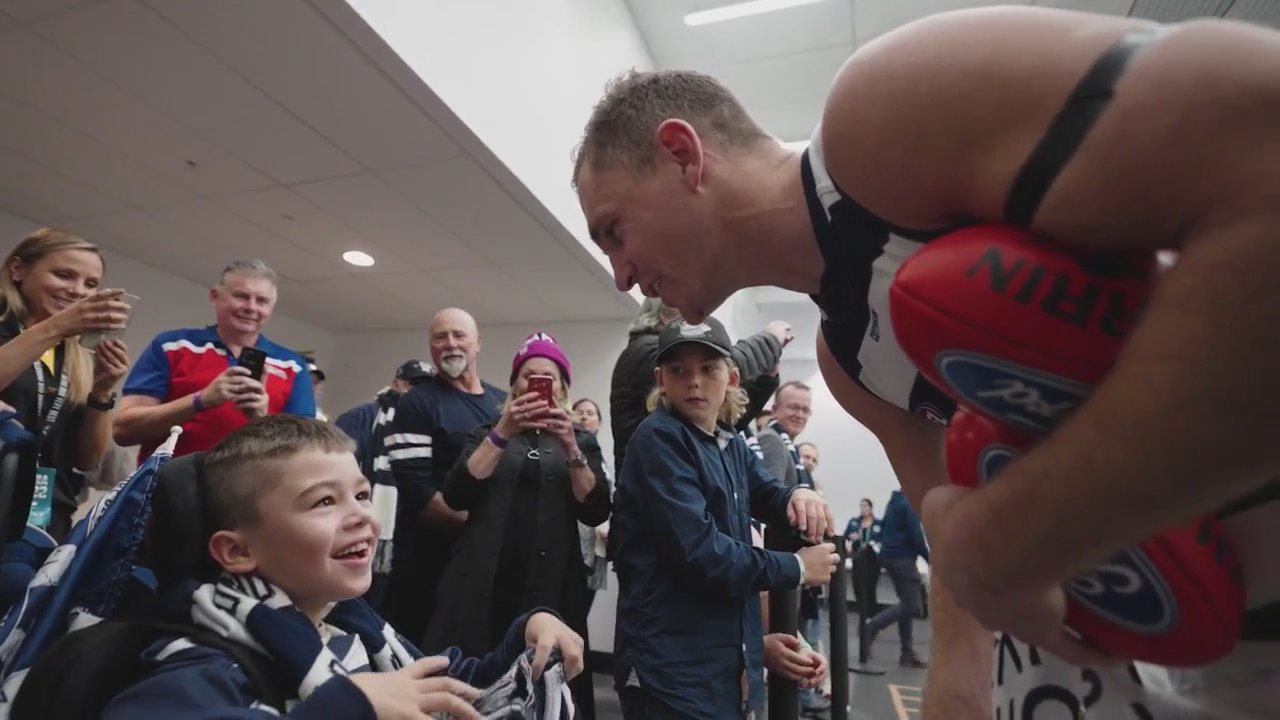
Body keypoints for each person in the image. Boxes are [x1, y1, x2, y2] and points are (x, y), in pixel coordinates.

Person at [571, 7, 1278, 717]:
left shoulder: (883, 116)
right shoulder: (850, 365)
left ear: (683, 155)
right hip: (1158, 641)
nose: (620, 276)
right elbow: (967, 573)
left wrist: (1022, 527)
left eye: (614, 230)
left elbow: (1264, 141)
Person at [101, 415, 585, 719]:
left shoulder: (353, 627)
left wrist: (526, 634)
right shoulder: (201, 665)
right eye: (324, 502)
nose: (360, 516)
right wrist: (357, 705)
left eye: (361, 495)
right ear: (237, 551)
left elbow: (452, 687)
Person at [610, 317, 837, 718]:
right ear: (661, 379)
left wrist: (798, 493)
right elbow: (702, 554)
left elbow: (768, 494)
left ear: (731, 378)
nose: (694, 381)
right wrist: (797, 568)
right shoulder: (659, 438)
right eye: (679, 370)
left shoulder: (727, 441)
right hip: (670, 671)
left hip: (717, 665)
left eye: (708, 369)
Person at [426, 333, 608, 718]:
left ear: (561, 388)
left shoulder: (581, 441)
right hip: (481, 582)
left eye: (548, 376)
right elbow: (457, 494)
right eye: (528, 375)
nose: (538, 383)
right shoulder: (486, 431)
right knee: (470, 681)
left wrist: (571, 448)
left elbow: (594, 509)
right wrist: (503, 431)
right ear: (515, 384)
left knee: (550, 681)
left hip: (553, 583)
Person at [376, 308, 505, 644]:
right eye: (439, 337)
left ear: (477, 343)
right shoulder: (416, 404)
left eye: (459, 335)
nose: (450, 344)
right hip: (427, 570)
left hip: (482, 569)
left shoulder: (501, 404)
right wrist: (492, 533)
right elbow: (421, 496)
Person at [0, 229, 131, 542]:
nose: (77, 291)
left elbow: (87, 460)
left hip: (44, 521)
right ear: (18, 270)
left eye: (90, 284)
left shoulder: (78, 355)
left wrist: (102, 392)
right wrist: (59, 326)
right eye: (63, 275)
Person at [114, 259, 315, 462]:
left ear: (271, 309)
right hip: (167, 486)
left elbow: (303, 454)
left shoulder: (293, 366)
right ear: (214, 297)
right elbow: (123, 431)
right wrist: (201, 400)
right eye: (241, 296)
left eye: (262, 301)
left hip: (248, 491)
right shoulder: (172, 346)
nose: (251, 307)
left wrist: (260, 420)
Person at [609, 298, 790, 470]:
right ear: (661, 379)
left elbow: (724, 415)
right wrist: (771, 340)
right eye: (695, 314)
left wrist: (765, 379)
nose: (695, 381)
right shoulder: (645, 351)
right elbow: (726, 363)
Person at [334, 359, 434, 477]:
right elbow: (339, 465)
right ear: (396, 385)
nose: (421, 391)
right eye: (415, 384)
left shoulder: (435, 421)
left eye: (428, 386)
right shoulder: (361, 416)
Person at [865, 489, 930, 668]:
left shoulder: (895, 501)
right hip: (902, 559)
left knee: (906, 604)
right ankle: (870, 627)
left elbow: (884, 528)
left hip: (891, 557)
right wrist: (931, 560)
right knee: (912, 605)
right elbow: (916, 536)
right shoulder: (908, 503)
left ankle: (907, 653)